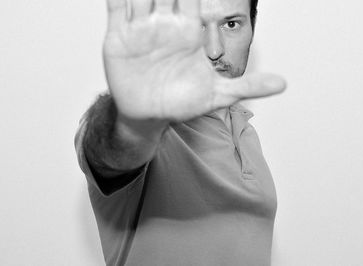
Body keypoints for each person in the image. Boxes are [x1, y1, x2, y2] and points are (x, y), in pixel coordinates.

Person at [75, 0, 286, 265]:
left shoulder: (246, 133)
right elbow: (110, 148)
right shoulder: (153, 128)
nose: (214, 49)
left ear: (252, 30)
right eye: (195, 26)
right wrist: (132, 115)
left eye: (231, 24)